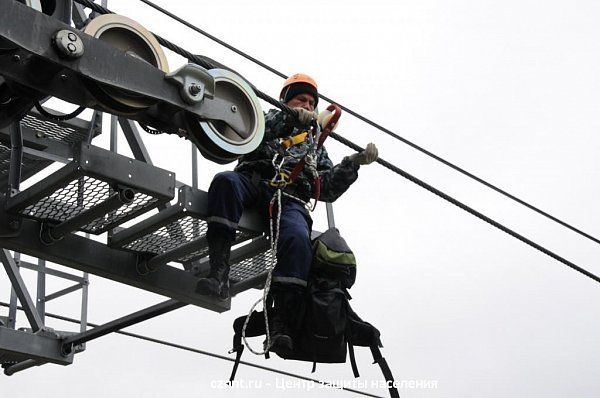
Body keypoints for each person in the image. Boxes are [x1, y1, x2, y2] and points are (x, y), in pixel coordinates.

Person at [196, 73, 378, 354]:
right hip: (253, 183)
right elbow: (255, 133)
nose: (306, 105)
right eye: (300, 99)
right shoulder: (262, 118)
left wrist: (353, 164)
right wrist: (290, 119)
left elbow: (326, 188)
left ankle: (281, 319)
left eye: (311, 102)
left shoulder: (315, 144)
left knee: (296, 237)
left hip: (290, 197)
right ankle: (219, 272)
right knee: (225, 182)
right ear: (285, 101)